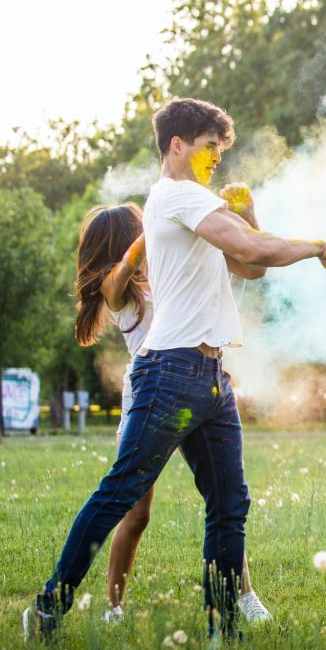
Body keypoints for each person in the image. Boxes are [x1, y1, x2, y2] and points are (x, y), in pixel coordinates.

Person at [24, 97, 326, 642]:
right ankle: (48, 606)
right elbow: (249, 246)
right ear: (177, 146)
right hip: (169, 372)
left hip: (211, 377)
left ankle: (222, 629)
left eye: (220, 149)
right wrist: (318, 246)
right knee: (120, 495)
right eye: (210, 147)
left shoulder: (198, 207)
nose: (216, 158)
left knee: (229, 505)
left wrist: (252, 219)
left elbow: (249, 264)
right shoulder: (174, 196)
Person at [72, 200, 271, 626]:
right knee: (136, 510)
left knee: (224, 503)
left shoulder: (172, 269)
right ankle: (114, 605)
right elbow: (121, 276)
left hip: (200, 386)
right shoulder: (121, 288)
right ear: (124, 243)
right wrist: (159, 227)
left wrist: (244, 215)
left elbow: (246, 263)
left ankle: (244, 595)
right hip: (149, 393)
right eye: (141, 229)